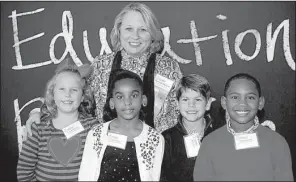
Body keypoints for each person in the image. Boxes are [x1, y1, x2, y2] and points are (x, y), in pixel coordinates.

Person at [25, 2, 182, 136]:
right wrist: (40, 112)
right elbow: (72, 95)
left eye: (143, 29)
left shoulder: (168, 68)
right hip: (106, 153)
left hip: (155, 154)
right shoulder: (102, 64)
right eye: (128, 29)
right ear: (118, 31)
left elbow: (179, 112)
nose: (135, 36)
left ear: (153, 34)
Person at [193, 73, 294, 181]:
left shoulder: (277, 142)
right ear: (224, 102)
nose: (242, 103)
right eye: (235, 97)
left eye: (250, 97)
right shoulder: (209, 143)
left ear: (260, 103)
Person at [17, 59, 98, 181]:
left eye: (74, 90)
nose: (67, 94)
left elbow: (100, 166)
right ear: (52, 94)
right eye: (61, 89)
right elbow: (24, 173)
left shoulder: (93, 127)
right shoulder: (38, 129)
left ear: (82, 97)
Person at [78, 69, 165, 181]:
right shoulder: (96, 134)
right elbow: (86, 175)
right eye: (120, 97)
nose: (127, 102)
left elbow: (155, 176)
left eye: (133, 95)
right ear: (112, 103)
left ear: (143, 100)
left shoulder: (155, 139)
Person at [161, 74, 215, 182]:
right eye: (185, 99)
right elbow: (163, 176)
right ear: (177, 104)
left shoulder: (217, 136)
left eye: (198, 99)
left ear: (208, 104)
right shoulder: (167, 138)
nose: (191, 105)